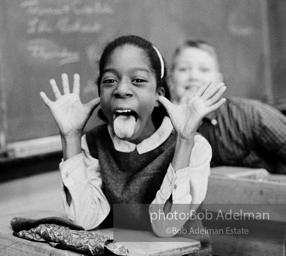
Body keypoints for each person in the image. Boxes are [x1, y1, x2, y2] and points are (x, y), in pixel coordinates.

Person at [40, 35, 226, 239]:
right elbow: (84, 220)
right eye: (110, 81)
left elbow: (166, 227)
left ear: (158, 95)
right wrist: (71, 137)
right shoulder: (92, 144)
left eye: (138, 80)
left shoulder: (194, 146)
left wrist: (184, 140)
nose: (121, 90)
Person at [169, 39, 286, 174]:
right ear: (171, 80)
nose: (194, 76)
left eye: (204, 69)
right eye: (183, 69)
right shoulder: (160, 126)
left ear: (219, 80)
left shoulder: (249, 115)